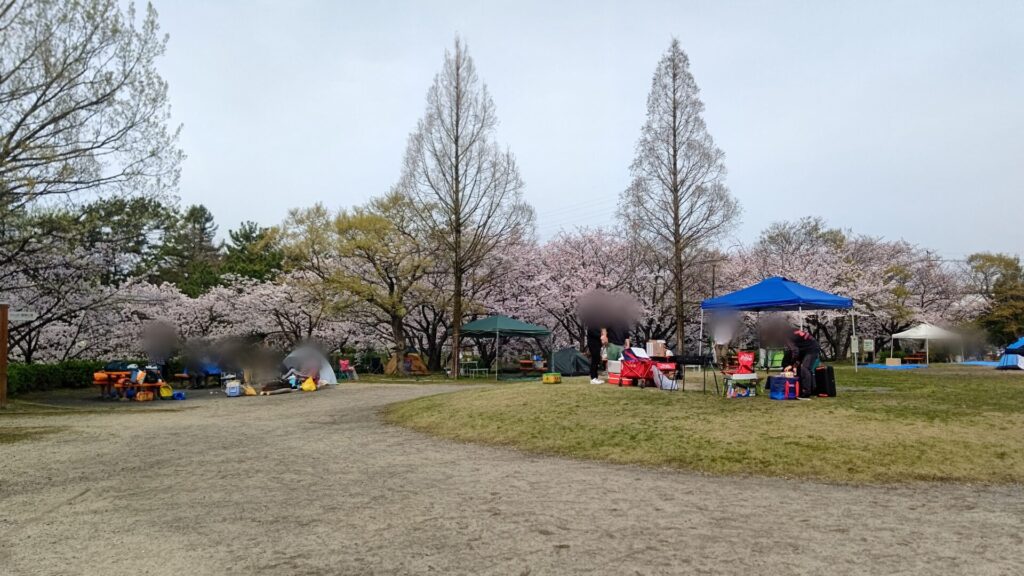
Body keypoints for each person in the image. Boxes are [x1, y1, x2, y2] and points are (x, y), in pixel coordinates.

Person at [782, 326, 820, 398]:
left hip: (811, 349)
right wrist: (795, 364)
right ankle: (809, 389)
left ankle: (806, 392)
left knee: (804, 368)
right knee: (802, 368)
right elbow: (798, 350)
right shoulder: (792, 330)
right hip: (807, 348)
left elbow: (795, 351)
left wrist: (791, 364)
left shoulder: (787, 336)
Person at [586, 320, 604, 385]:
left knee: (597, 360)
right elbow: (593, 333)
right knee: (594, 360)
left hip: (597, 344)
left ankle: (596, 377)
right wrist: (601, 335)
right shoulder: (591, 324)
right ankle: (593, 378)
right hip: (593, 344)